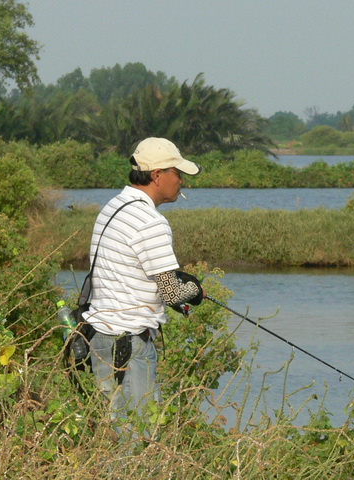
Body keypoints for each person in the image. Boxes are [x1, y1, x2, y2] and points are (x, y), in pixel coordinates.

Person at [84, 137, 204, 433]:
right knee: (140, 437)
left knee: (112, 435)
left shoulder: (114, 206)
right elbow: (173, 293)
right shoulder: (151, 222)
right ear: (157, 175)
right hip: (130, 344)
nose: (182, 182)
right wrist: (197, 291)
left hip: (98, 337)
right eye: (178, 174)